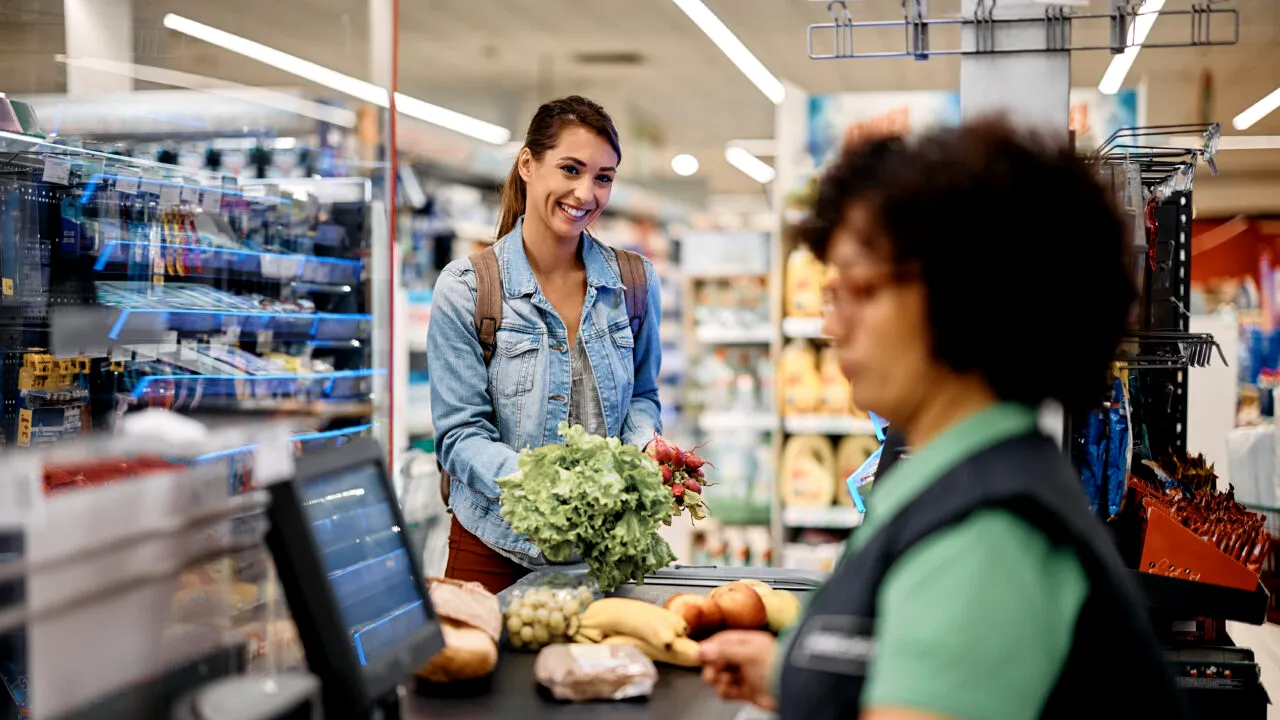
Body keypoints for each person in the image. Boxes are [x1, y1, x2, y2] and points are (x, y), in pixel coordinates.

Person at [699, 120, 1191, 719]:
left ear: (962, 295)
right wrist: (796, 674)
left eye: (862, 288)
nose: (833, 324)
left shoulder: (988, 538)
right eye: (833, 291)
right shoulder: (962, 473)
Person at [427, 96, 663, 595]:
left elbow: (643, 396)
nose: (586, 193)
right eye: (570, 169)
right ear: (528, 164)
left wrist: (645, 447)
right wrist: (543, 485)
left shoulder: (634, 283)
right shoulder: (467, 288)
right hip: (492, 547)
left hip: (602, 550)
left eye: (603, 177)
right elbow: (459, 435)